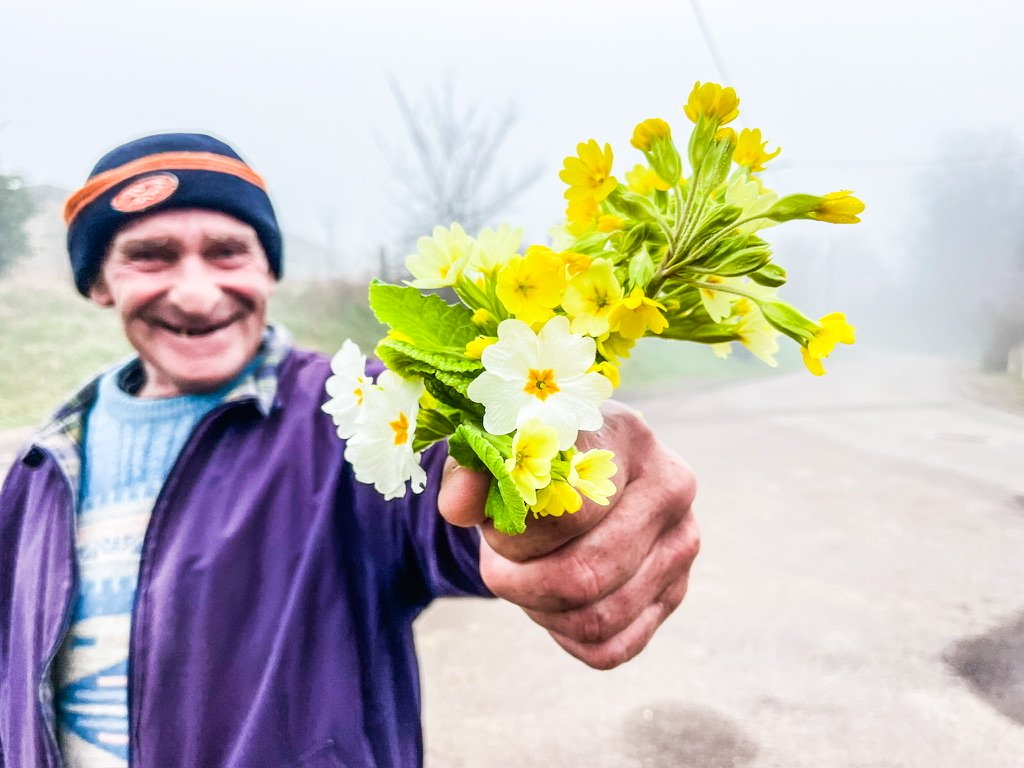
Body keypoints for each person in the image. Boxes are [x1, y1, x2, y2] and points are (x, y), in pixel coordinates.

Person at [0, 133, 700, 768]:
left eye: (227, 251)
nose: (195, 290)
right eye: (150, 256)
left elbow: (451, 500)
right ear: (98, 285)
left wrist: (555, 489)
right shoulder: (39, 469)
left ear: (267, 269)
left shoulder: (357, 411)